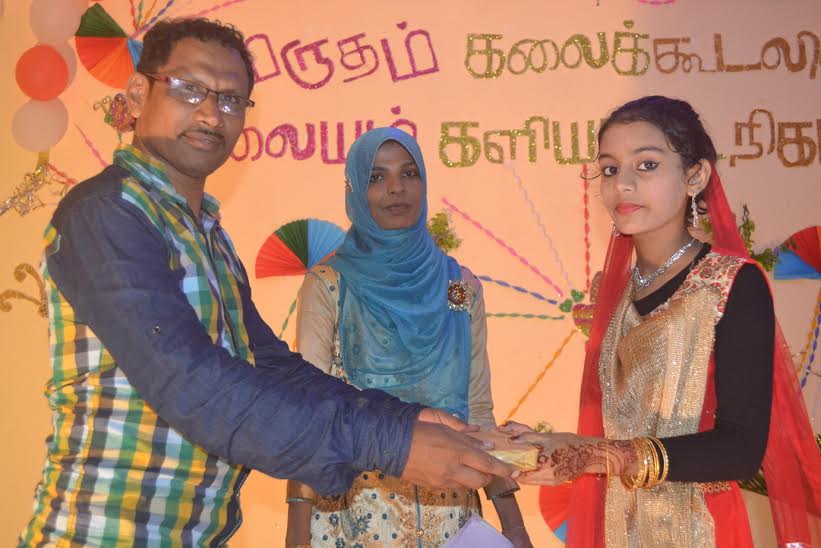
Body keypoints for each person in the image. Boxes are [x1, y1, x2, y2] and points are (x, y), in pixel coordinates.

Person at [17, 19, 515, 546]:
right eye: (189, 88)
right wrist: (392, 442)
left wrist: (410, 421)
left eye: (231, 100)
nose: (212, 114)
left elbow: (275, 369)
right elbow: (194, 383)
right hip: (107, 532)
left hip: (227, 526)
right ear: (138, 94)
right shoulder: (107, 215)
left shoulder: (211, 238)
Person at [501, 96, 821, 547]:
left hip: (699, 528)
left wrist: (597, 456)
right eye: (609, 169)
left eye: (647, 165)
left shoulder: (731, 284)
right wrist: (550, 445)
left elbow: (740, 449)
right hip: (619, 527)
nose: (623, 184)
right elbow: (620, 420)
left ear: (696, 176)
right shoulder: (615, 294)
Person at [282, 128, 531, 547]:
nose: (396, 188)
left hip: (450, 517)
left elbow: (477, 409)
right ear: (355, 190)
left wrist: (514, 525)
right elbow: (309, 415)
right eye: (377, 177)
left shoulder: (459, 287)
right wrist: (295, 534)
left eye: (409, 173)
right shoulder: (329, 285)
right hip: (350, 518)